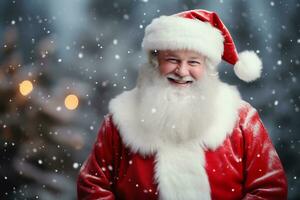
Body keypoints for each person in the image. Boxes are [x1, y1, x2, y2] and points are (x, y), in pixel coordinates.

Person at [77, 9, 287, 200]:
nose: (182, 71)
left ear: (207, 67)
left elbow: (269, 188)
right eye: (173, 60)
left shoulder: (241, 118)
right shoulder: (121, 118)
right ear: (155, 62)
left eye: (193, 62)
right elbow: (93, 185)